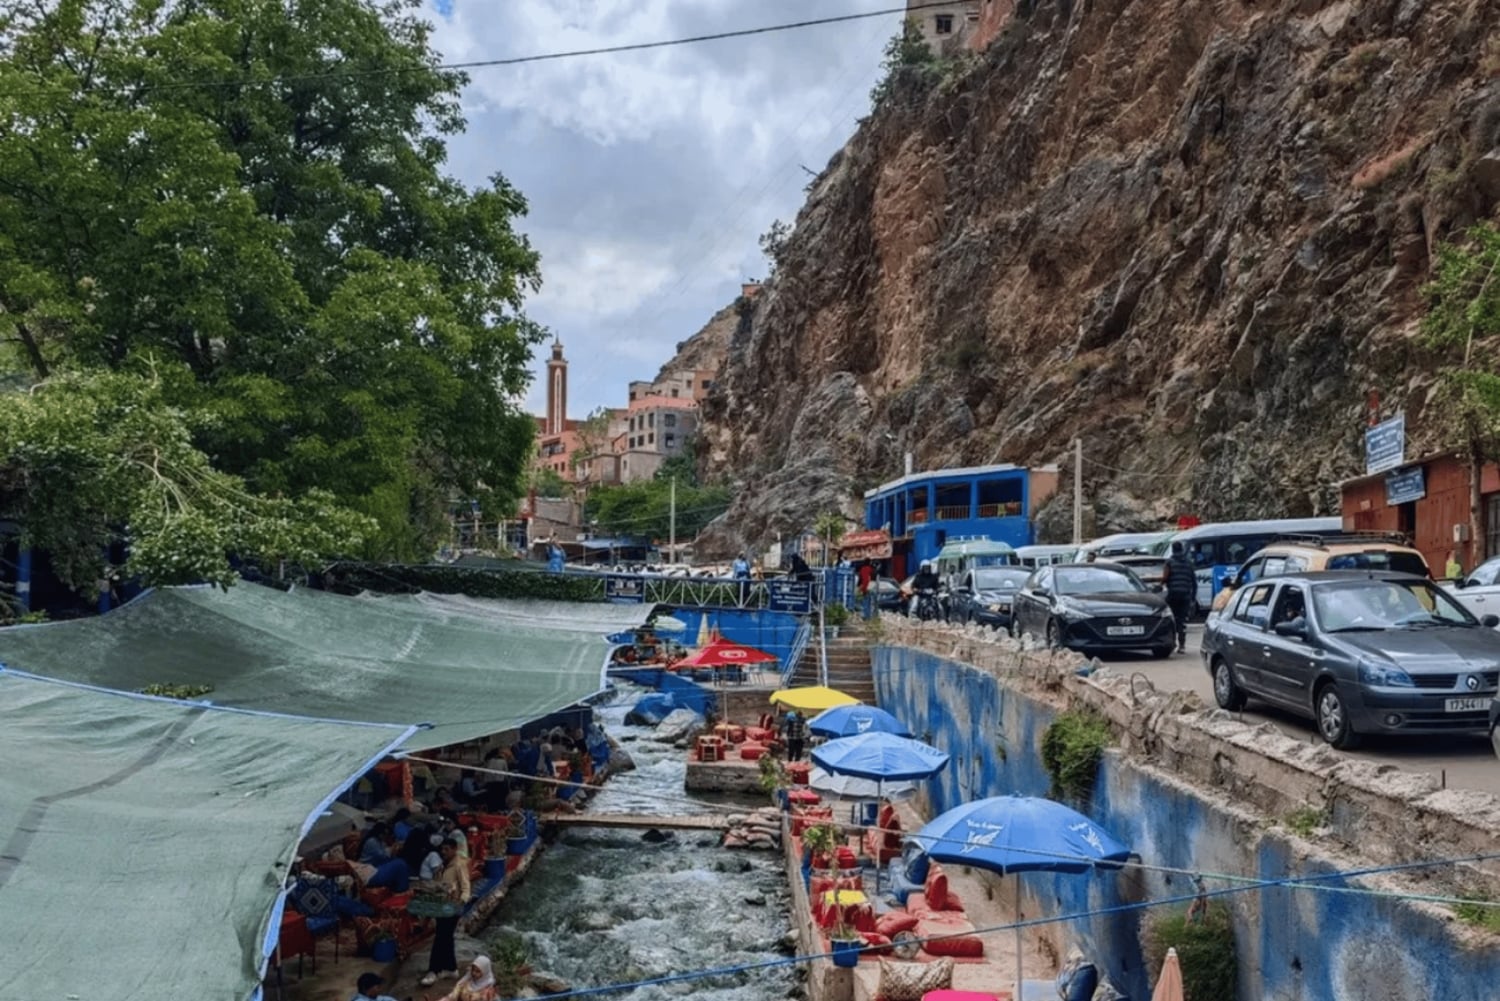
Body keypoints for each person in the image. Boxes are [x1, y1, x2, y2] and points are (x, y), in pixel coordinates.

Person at [418, 839, 472, 986]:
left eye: (447, 849)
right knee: (446, 938)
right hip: (442, 906)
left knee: (440, 938)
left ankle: (433, 971)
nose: (443, 852)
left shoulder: (459, 865)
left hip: (452, 908)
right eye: (442, 849)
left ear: (454, 849)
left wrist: (460, 904)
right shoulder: (444, 865)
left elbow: (466, 887)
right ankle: (451, 968)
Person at [1164, 541, 1196, 653]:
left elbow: (1165, 578)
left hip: (1173, 594)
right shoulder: (1188, 563)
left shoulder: (1169, 562)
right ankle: (1182, 645)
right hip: (1185, 595)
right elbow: (1194, 581)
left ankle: (1172, 642)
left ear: (1173, 550)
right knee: (1182, 621)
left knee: (1170, 619)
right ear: (1182, 549)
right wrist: (1192, 598)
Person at [432, 956, 498, 1001]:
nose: (473, 973)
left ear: (484, 973)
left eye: (478, 971)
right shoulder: (468, 980)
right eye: (473, 970)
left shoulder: (488, 989)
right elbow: (454, 994)